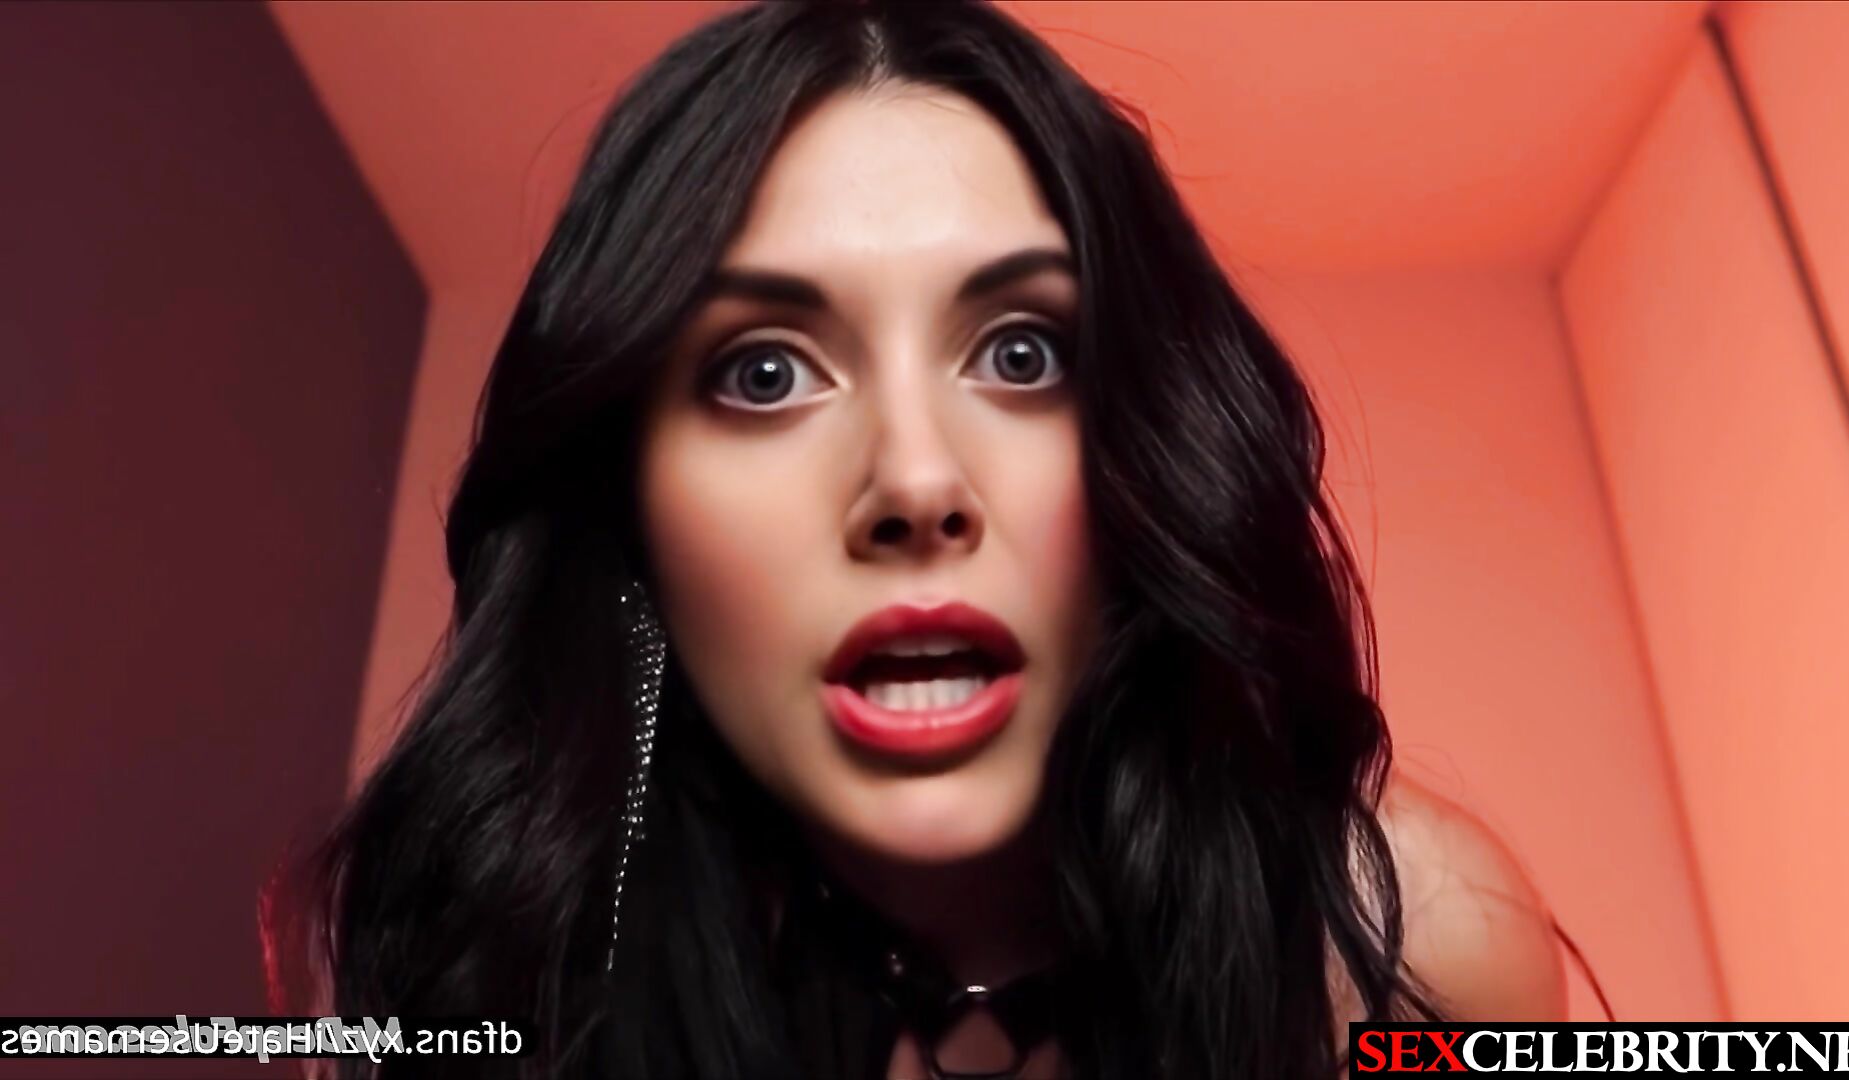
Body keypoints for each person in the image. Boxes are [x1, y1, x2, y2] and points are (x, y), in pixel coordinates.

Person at [281, 1, 1571, 1076]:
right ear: (629, 507)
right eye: (765, 374)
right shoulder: (499, 982)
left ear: (1150, 434)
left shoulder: (1411, 953)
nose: (913, 482)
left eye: (1021, 354)